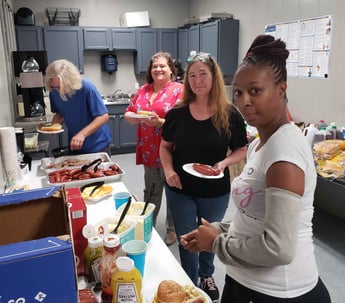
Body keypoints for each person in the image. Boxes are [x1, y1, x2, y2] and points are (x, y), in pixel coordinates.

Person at [180, 35, 331, 303]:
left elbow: (279, 249)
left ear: (281, 90)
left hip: (278, 291)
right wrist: (218, 229)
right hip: (246, 284)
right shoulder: (259, 145)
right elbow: (252, 216)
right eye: (238, 92)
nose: (244, 101)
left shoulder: (284, 151)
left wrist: (215, 243)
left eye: (255, 90)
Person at [159, 52, 248, 301]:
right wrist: (168, 171)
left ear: (214, 77)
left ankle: (207, 275)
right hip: (180, 187)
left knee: (209, 233)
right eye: (192, 75)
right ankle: (190, 280)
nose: (197, 80)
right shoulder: (177, 113)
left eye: (203, 74)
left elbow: (242, 148)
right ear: (187, 80)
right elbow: (165, 146)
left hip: (215, 190)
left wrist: (224, 163)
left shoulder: (230, 114)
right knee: (187, 238)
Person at [124, 52, 183, 246]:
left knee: (173, 192)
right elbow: (128, 114)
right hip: (149, 150)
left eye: (162, 66)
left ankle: (172, 229)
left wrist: (161, 122)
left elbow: (185, 122)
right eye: (154, 66)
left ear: (171, 69)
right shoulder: (143, 90)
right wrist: (134, 117)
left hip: (172, 151)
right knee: (151, 191)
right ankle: (148, 224)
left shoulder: (179, 91)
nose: (158, 69)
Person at [45, 59, 111, 155]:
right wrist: (54, 124)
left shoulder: (86, 88)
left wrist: (82, 134)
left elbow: (103, 117)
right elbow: (60, 113)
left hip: (97, 144)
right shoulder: (53, 91)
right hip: (75, 144)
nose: (58, 91)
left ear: (70, 81)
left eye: (61, 87)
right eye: (55, 87)